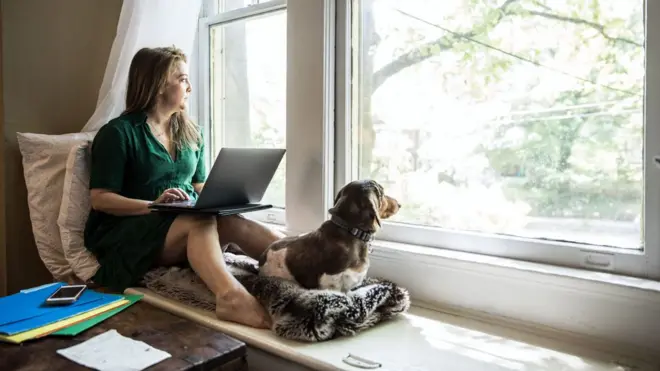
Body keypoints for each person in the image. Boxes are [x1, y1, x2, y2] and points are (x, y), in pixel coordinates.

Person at [83, 46, 284, 329]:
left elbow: (199, 185)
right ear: (157, 84)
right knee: (198, 220)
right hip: (131, 230)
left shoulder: (191, 132)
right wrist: (153, 205)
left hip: (182, 220)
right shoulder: (117, 134)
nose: (189, 87)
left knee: (234, 222)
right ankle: (230, 297)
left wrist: (226, 199)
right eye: (182, 79)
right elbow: (100, 200)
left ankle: (305, 264)